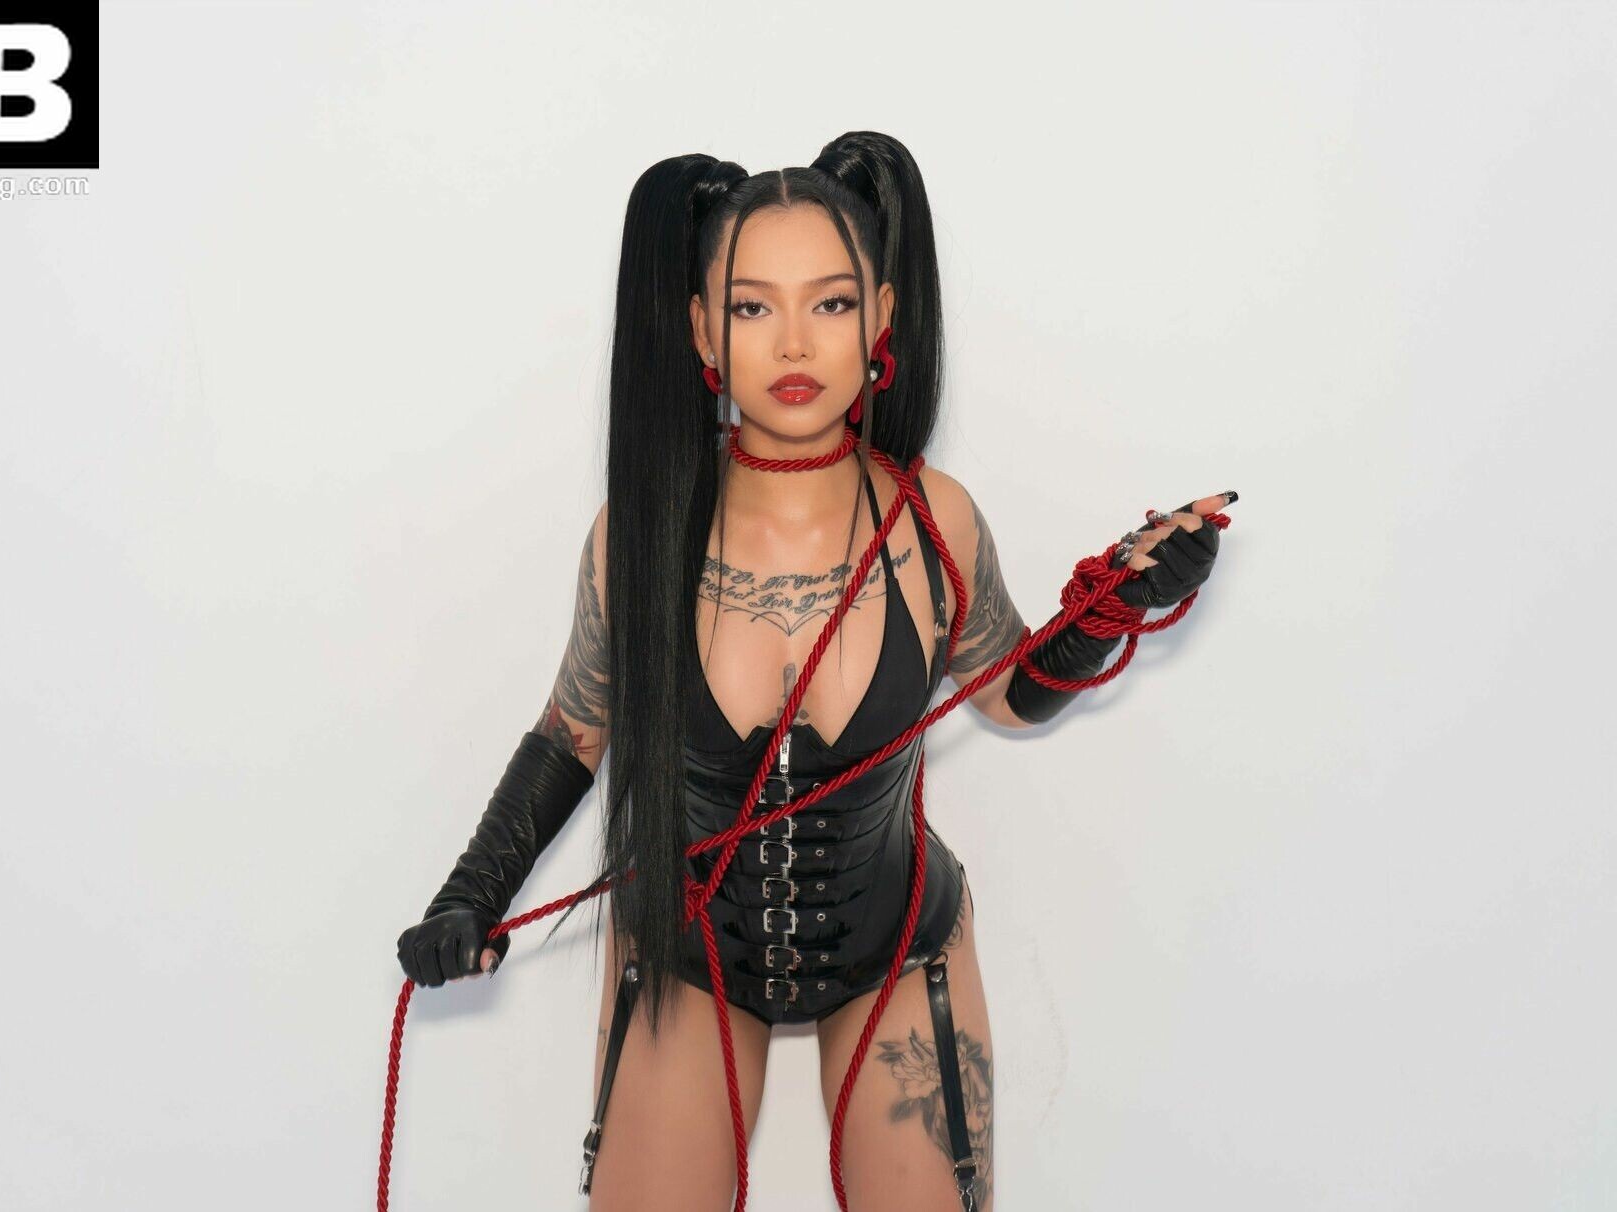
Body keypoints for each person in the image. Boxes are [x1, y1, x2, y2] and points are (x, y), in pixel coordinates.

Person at [395, 130, 1227, 1211]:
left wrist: (1120, 600)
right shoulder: (638, 534)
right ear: (701, 328)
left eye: (830, 303)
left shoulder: (934, 519)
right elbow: (574, 731)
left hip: (896, 947)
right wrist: (471, 895)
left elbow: (1011, 690)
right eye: (752, 307)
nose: (794, 341)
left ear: (882, 316)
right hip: (687, 952)